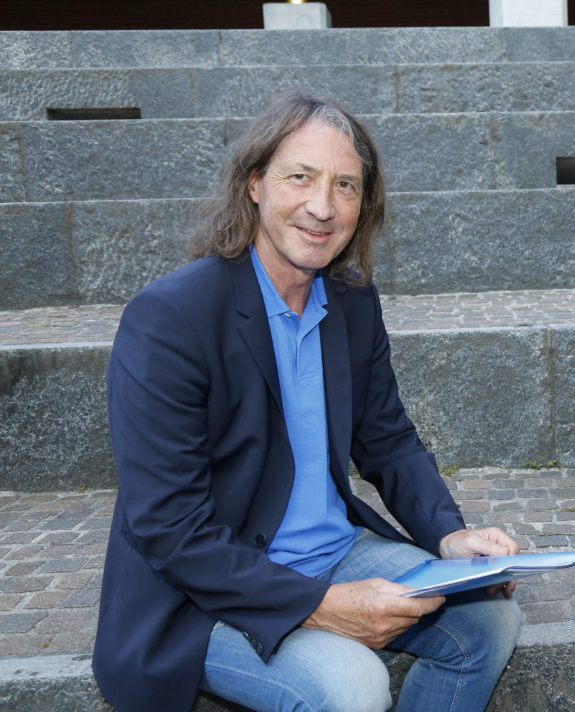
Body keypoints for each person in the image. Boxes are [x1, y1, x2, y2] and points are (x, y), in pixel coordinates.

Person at [92, 91, 522, 712]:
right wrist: (319, 607)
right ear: (254, 184)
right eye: (301, 177)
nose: (322, 207)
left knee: (488, 623)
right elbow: (168, 527)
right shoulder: (170, 318)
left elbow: (388, 439)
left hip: (332, 554)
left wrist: (450, 536)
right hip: (201, 594)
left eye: (345, 185)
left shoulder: (351, 299)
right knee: (352, 684)